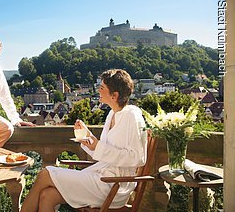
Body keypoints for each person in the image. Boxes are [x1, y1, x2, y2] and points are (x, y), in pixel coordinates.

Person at [20, 69, 147, 212]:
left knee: (45, 174)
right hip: (101, 177)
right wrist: (86, 136)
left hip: (113, 185)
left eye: (102, 88)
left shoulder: (132, 116)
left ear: (114, 95)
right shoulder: (112, 114)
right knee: (48, 195)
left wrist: (97, 146)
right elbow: (101, 150)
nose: (98, 90)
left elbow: (137, 158)